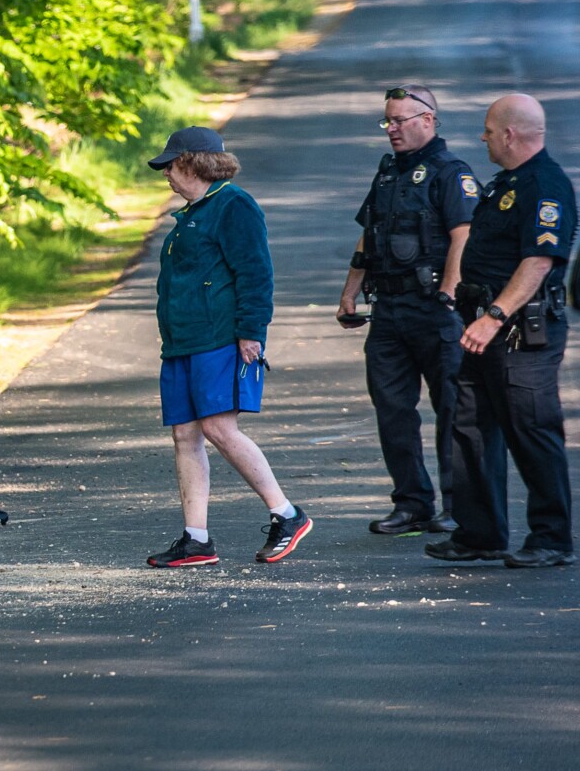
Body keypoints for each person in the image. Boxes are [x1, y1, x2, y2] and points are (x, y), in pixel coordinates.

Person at [145, 127, 312, 567]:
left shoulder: (233, 205)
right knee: (185, 434)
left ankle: (287, 514)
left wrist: (252, 332)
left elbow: (256, 273)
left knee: (219, 428)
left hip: (219, 337)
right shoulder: (191, 213)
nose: (165, 174)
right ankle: (196, 539)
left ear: (191, 163)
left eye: (169, 165)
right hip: (183, 341)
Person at [426, 94, 575, 569]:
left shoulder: (544, 185)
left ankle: (552, 538)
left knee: (531, 430)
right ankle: (480, 534)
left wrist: (494, 316)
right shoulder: (507, 182)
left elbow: (539, 261)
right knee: (468, 427)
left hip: (519, 332)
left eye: (489, 130)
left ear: (510, 134)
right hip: (482, 326)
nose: (483, 137)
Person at [338, 86, 479, 535]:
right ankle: (412, 502)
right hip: (390, 311)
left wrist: (452, 292)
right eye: (387, 121)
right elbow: (370, 235)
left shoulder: (450, 172)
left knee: (452, 410)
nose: (392, 130)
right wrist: (350, 291)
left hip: (436, 309)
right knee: (392, 409)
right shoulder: (387, 173)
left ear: (429, 119)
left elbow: (463, 233)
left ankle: (458, 506)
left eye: (399, 120)